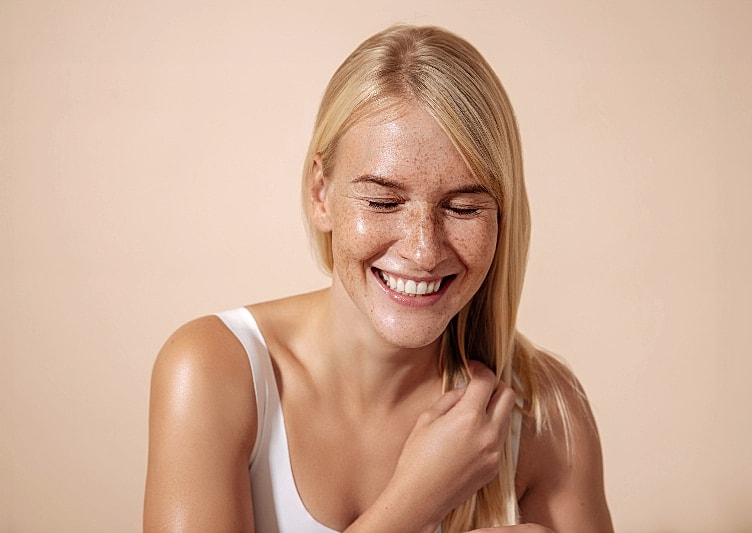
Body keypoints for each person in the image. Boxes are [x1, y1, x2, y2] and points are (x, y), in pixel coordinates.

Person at [144, 24, 613, 532]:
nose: (422, 249)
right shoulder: (213, 372)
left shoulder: (546, 413)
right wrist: (417, 497)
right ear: (321, 193)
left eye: (463, 207)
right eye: (384, 201)